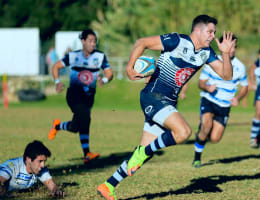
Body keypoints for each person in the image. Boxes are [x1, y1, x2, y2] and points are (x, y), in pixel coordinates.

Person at [97, 14, 235, 200]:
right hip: (153, 97)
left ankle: (108, 185)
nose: (213, 36)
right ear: (197, 30)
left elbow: (227, 76)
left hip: (168, 102)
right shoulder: (177, 41)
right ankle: (142, 152)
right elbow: (142, 42)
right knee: (183, 132)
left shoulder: (207, 53)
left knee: (145, 151)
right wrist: (130, 68)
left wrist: (225, 53)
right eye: (210, 32)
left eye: (214, 32)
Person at [48, 29, 113, 163]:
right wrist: (57, 81)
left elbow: (109, 74)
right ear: (83, 41)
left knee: (76, 127)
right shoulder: (73, 56)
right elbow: (55, 66)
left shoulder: (100, 56)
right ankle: (87, 153)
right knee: (85, 117)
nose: (93, 44)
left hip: (89, 97)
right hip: (74, 95)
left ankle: (58, 126)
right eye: (90, 41)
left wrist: (104, 80)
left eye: (95, 41)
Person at [188, 35, 248, 168]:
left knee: (215, 138)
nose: (231, 49)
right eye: (229, 46)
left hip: (225, 105)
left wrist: (238, 98)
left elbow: (245, 87)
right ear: (222, 46)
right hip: (209, 100)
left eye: (234, 46)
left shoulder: (240, 67)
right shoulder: (213, 63)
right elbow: (201, 83)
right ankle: (197, 158)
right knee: (206, 126)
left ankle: (203, 133)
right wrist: (207, 87)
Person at [0, 140, 64, 198]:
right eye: (40, 161)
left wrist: (56, 190)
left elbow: (50, 184)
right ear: (28, 159)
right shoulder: (12, 166)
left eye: (44, 161)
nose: (43, 165)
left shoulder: (40, 169)